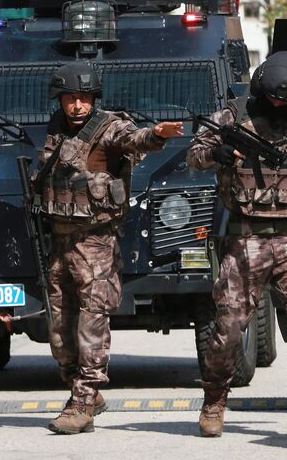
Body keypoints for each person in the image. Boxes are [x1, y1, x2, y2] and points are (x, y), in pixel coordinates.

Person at [38, 62, 183, 434]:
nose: (77, 105)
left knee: (92, 322)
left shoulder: (109, 127)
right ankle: (79, 386)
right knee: (59, 330)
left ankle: (85, 399)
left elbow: (135, 139)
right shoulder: (56, 128)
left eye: (84, 98)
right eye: (70, 98)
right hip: (59, 242)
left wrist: (157, 135)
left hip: (96, 243)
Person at [187, 51, 287, 440]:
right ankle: (214, 400)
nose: (279, 104)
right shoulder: (233, 116)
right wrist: (216, 154)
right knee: (228, 330)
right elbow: (194, 155)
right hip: (245, 238)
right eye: (273, 97)